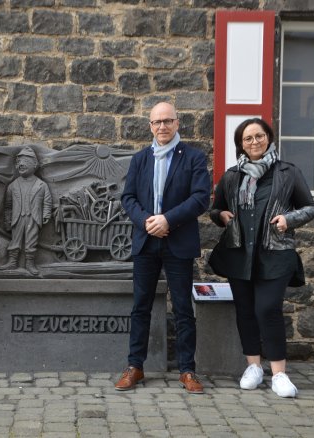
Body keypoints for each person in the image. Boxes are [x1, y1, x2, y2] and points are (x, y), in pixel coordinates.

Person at [208, 117, 314, 398]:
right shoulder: (232, 176)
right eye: (248, 138)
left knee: (267, 309)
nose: (254, 142)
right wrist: (220, 215)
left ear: (268, 138)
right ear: (241, 144)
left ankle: (279, 373)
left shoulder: (288, 172)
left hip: (276, 252)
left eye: (259, 136)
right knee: (245, 311)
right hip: (239, 253)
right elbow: (215, 209)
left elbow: (309, 207)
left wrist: (288, 219)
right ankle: (254, 367)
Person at [115, 102, 211, 394]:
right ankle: (135, 367)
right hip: (146, 242)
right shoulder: (141, 159)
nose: (162, 127)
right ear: (150, 126)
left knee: (183, 308)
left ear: (177, 123)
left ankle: (187, 370)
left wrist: (168, 219)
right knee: (140, 307)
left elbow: (200, 198)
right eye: (156, 122)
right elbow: (128, 198)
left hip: (178, 241)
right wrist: (147, 221)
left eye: (167, 121)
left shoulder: (193, 158)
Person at [0, 147, 52, 276]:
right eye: (19, 162)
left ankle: (30, 263)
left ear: (34, 164)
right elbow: (8, 206)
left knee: (31, 241)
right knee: (15, 241)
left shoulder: (42, 185)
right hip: (18, 218)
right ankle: (12, 261)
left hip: (33, 218)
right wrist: (8, 220)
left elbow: (47, 202)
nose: (21, 164)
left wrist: (46, 214)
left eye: (25, 161)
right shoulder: (13, 186)